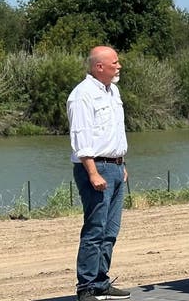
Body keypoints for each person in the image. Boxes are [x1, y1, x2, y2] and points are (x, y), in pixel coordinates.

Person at [67, 46, 131, 301]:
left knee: (111, 229)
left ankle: (102, 281)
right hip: (95, 167)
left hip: (115, 166)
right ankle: (86, 287)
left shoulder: (112, 91)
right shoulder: (82, 95)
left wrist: (122, 164)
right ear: (99, 67)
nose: (119, 66)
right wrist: (93, 172)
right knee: (95, 228)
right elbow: (81, 137)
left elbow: (114, 132)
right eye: (114, 63)